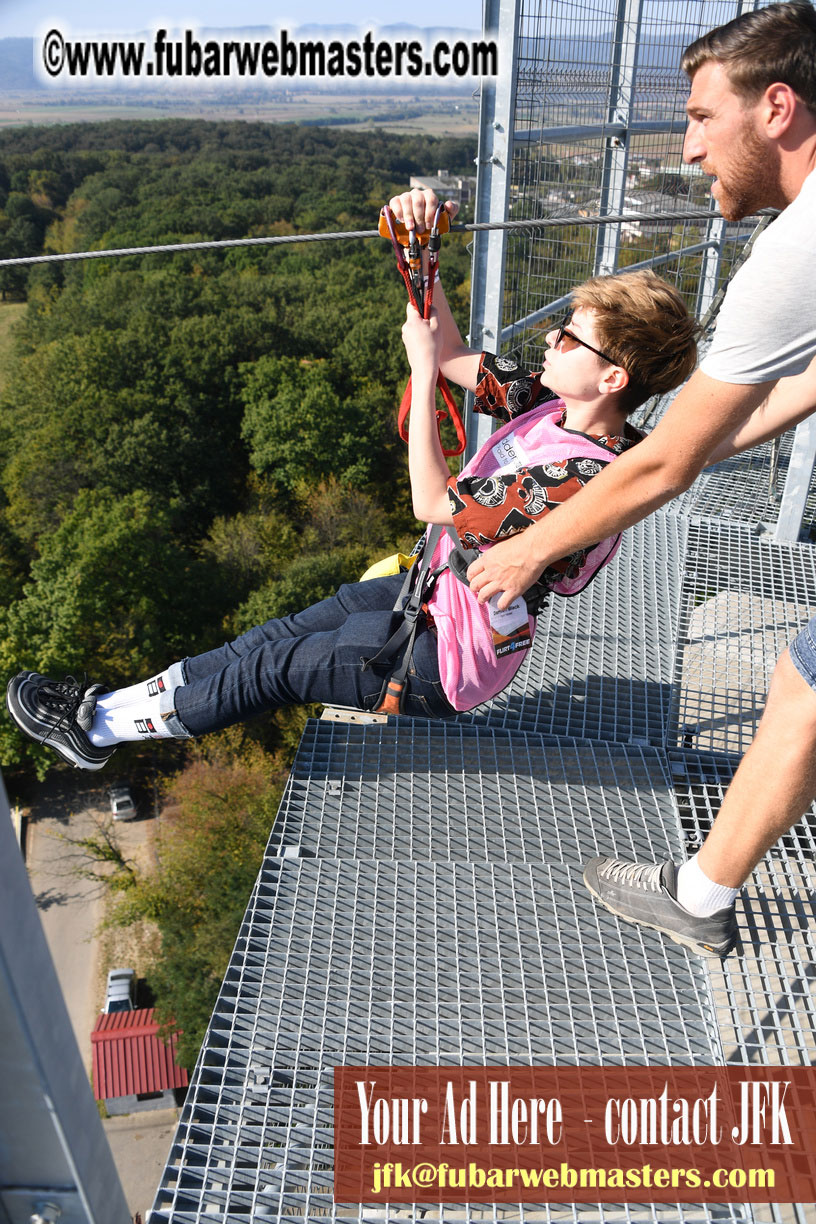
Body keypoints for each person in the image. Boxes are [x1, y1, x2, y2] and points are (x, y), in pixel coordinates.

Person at [4, 225, 697, 774]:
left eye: (571, 338)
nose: (551, 337)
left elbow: (432, 499)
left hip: (444, 658)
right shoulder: (550, 403)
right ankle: (103, 712)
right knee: (269, 638)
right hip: (429, 595)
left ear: (611, 378)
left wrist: (422, 377)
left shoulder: (578, 475)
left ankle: (97, 727)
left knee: (279, 669)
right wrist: (421, 251)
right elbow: (451, 347)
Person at [451, 0, 816, 958]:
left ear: (776, 107)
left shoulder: (795, 250)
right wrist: (703, 440)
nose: (690, 149)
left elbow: (659, 464)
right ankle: (701, 892)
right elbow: (800, 390)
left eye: (702, 117)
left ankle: (699, 896)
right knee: (805, 688)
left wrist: (528, 549)